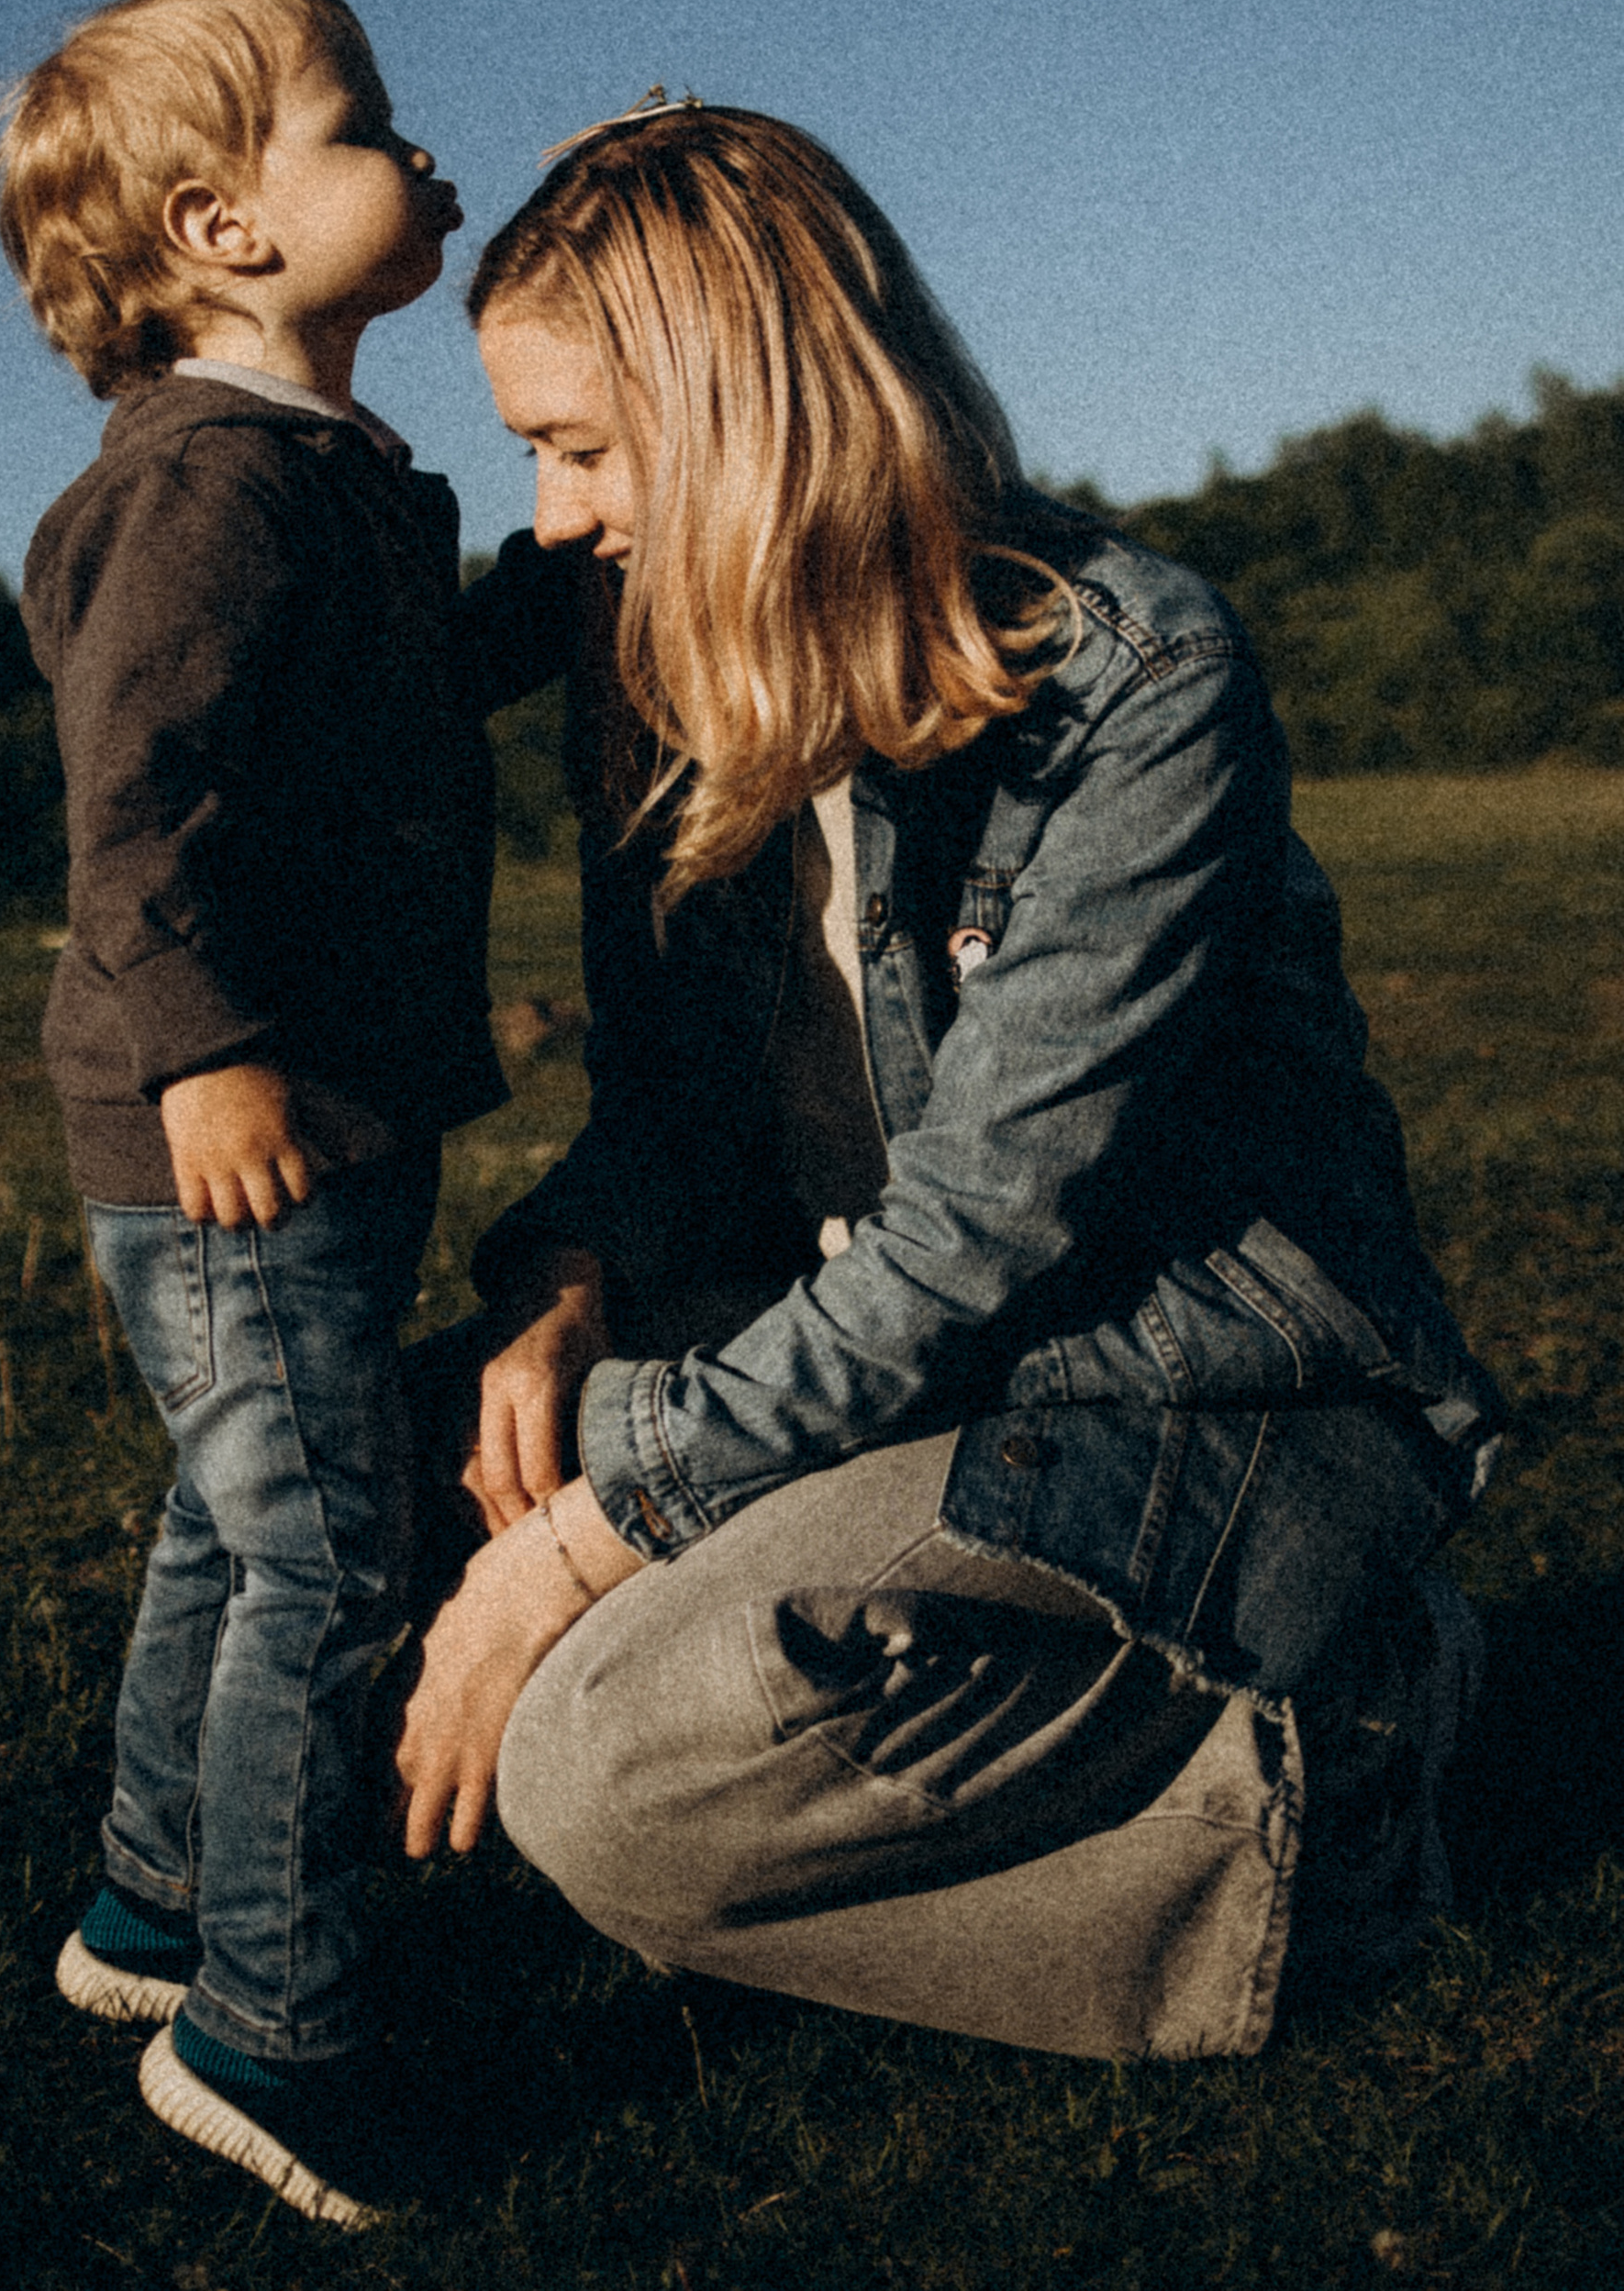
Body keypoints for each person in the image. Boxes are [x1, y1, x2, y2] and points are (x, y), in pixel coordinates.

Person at [395, 99, 1501, 2063]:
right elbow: (673, 1114)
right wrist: (561, 1281)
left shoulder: (1129, 678)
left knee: (610, 1780)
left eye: (574, 448)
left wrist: (580, 1538)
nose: (553, 515)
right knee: (373, 1460)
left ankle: (1312, 1817)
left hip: (1180, 1375)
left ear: (741, 415)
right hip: (865, 1348)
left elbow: (972, 1243)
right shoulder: (649, 668)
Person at [0, 0, 557, 2226]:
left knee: (237, 1522)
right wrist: (207, 1053)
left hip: (318, 1115)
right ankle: (272, 2025)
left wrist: (552, 596)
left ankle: (147, 1911)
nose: (421, 160)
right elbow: (138, 815)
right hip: (234, 1128)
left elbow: (384, 712)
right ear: (222, 227)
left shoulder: (323, 477)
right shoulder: (203, 491)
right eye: (366, 125)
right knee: (327, 1552)